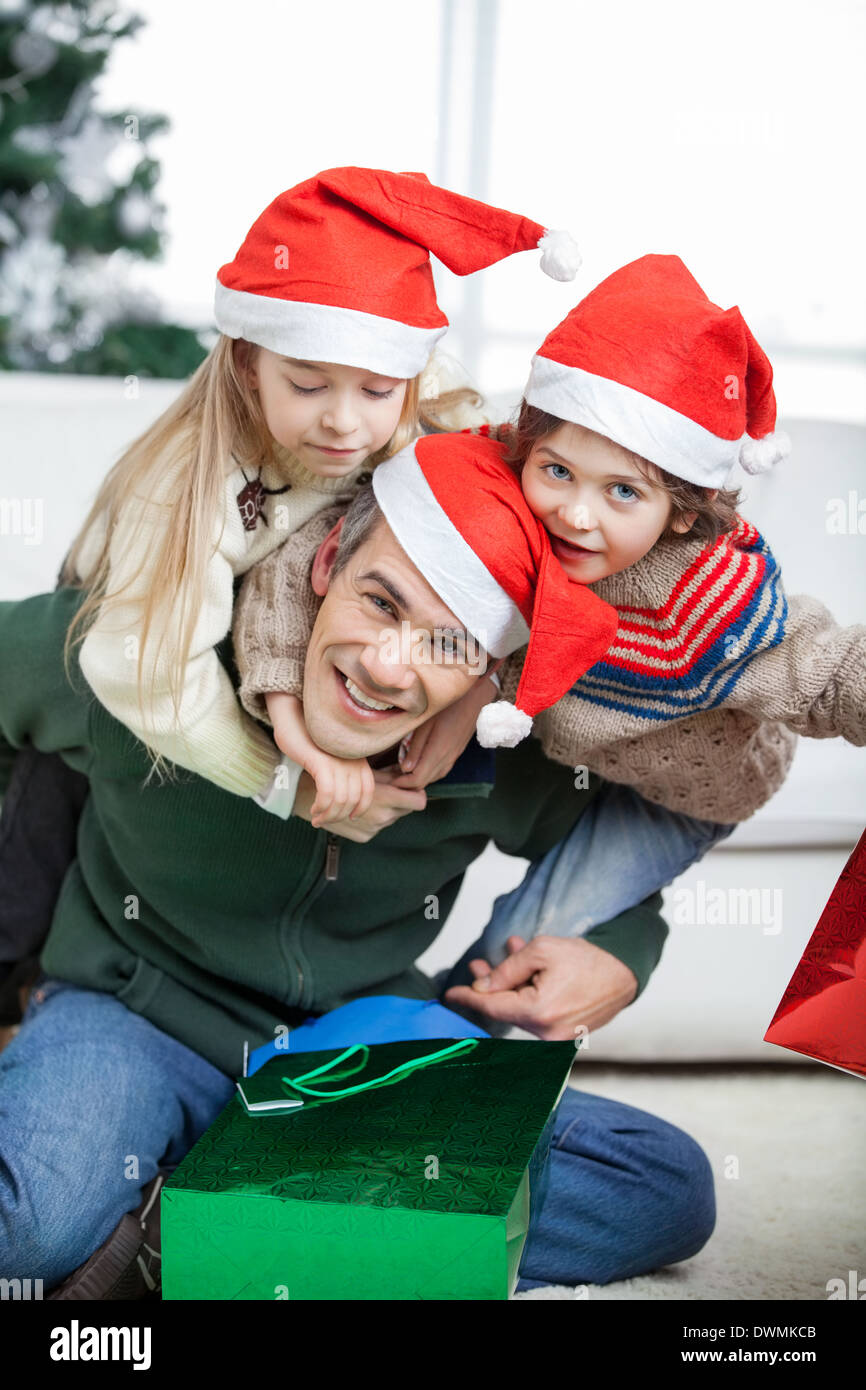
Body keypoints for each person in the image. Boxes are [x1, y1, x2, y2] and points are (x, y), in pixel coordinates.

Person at [0, 433, 713, 1297]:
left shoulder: (492, 753)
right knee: (28, 1224)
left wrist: (620, 954)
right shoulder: (157, 662)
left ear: (489, 674)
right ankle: (280, 1212)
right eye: (380, 603)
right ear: (328, 557)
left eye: (449, 647)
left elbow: (615, 862)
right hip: (134, 1018)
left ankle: (170, 1222)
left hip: (352, 1063)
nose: (386, 669)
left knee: (663, 1186)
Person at [0, 164, 581, 1011]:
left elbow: (508, 576)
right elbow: (144, 669)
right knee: (34, 847)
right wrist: (284, 778)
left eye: (377, 390)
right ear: (246, 365)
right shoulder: (187, 489)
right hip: (109, 679)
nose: (344, 422)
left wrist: (475, 690)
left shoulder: (435, 436)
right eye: (307, 385)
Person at [238, 255, 864, 986]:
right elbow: (312, 554)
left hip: (687, 790)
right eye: (558, 471)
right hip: (573, 748)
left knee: (513, 954)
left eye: (622, 493)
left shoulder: (706, 600)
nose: (574, 513)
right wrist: (290, 696)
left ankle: (454, 1069)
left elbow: (830, 673)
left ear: (683, 512)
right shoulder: (503, 490)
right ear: (526, 448)